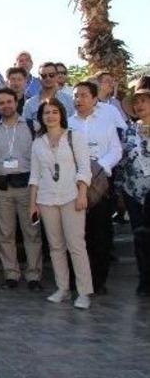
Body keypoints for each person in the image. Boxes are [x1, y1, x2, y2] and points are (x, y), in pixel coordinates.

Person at [29, 98, 93, 309]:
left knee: (76, 245)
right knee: (56, 247)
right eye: (46, 112)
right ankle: (62, 288)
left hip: (71, 196)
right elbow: (35, 176)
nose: (50, 116)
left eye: (54, 111)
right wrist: (33, 204)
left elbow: (84, 168)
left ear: (61, 114)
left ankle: (83, 291)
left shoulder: (75, 137)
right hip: (46, 199)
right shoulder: (38, 143)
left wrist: (82, 194)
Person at [0, 88, 43, 290]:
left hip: (28, 186)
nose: (6, 106)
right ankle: (11, 274)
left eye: (9, 101)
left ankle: (34, 275)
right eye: (1, 103)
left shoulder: (31, 126)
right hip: (2, 188)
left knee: (32, 232)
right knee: (5, 233)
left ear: (16, 101)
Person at [68, 81, 122, 295]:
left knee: (100, 235)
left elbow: (116, 150)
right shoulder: (68, 124)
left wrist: (99, 167)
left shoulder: (106, 123)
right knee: (77, 236)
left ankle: (98, 282)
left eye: (83, 95)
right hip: (73, 184)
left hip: (99, 183)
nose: (78, 99)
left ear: (94, 98)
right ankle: (77, 282)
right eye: (75, 96)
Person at [116, 77, 150, 297]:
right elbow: (122, 160)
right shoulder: (128, 130)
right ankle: (144, 279)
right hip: (133, 191)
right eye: (136, 101)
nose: (139, 105)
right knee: (140, 236)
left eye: (144, 100)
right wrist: (120, 189)